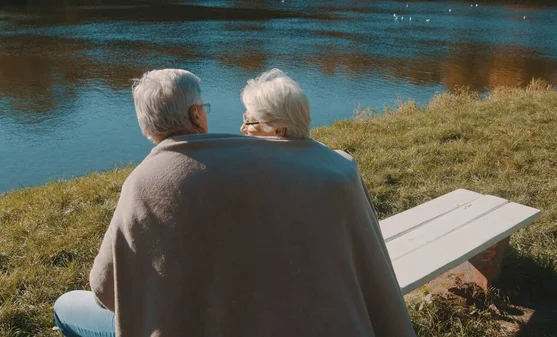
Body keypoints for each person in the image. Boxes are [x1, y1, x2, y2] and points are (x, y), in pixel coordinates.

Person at [53, 68, 416, 337]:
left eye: (250, 122)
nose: (243, 130)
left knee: (67, 306)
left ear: (144, 124)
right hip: (326, 317)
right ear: (197, 114)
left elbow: (105, 289)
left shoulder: (143, 182)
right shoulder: (332, 167)